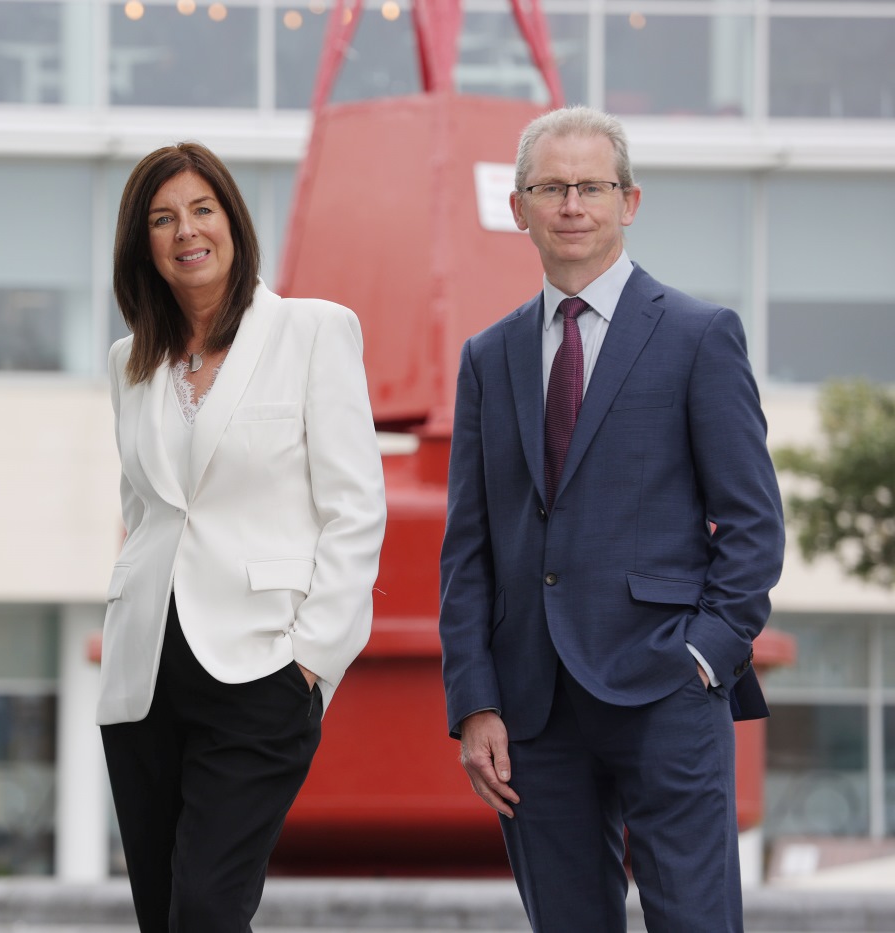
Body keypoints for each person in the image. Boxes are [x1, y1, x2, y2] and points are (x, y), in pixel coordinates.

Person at [438, 105, 785, 932]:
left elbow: (753, 526)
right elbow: (469, 547)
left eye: (590, 186)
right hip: (532, 710)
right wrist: (474, 700)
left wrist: (705, 656)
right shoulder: (489, 357)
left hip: (668, 688)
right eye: (550, 187)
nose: (571, 205)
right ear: (517, 208)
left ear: (628, 202)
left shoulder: (700, 337)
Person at [99, 142, 387, 931]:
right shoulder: (130, 362)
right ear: (142, 244)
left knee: (208, 906)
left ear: (232, 221)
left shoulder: (313, 331)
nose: (185, 231)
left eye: (201, 210)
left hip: (262, 666)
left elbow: (355, 508)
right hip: (144, 671)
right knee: (164, 913)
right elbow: (145, 509)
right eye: (162, 219)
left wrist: (311, 662)